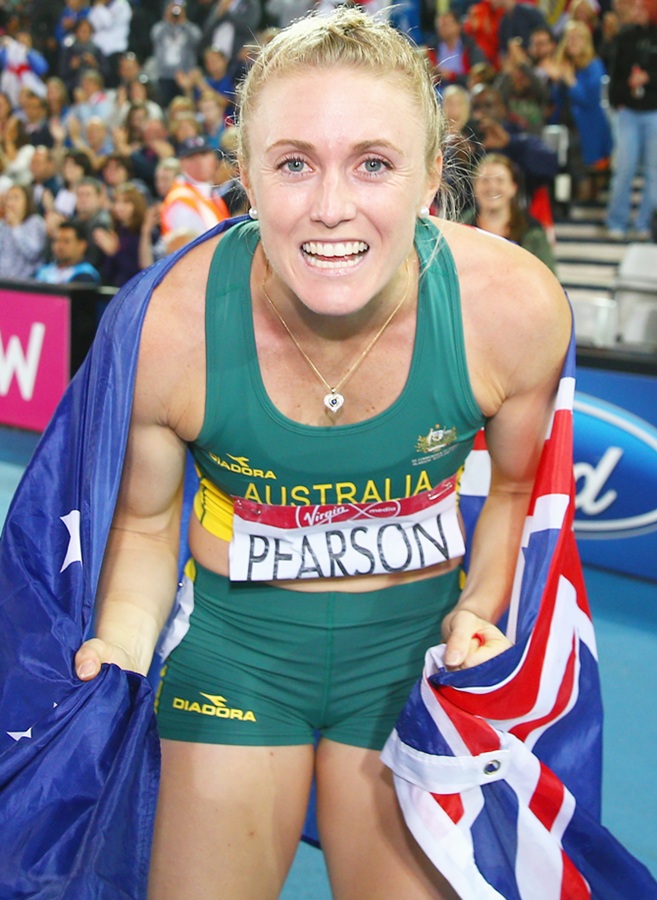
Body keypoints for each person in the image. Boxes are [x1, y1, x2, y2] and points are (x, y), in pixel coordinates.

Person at [73, 9, 571, 898]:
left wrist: (484, 607)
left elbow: (512, 495)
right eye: (293, 163)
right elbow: (147, 526)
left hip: (412, 660)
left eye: (372, 164)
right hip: (234, 653)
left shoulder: (511, 308)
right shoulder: (167, 326)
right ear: (245, 178)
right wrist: (119, 642)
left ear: (429, 179)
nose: (330, 206)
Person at [605, 0, 657, 239]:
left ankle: (646, 223)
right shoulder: (624, 37)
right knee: (624, 167)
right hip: (628, 112)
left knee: (654, 172)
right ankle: (616, 220)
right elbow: (614, 73)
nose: (635, 12)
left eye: (640, 7)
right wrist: (619, 100)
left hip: (654, 111)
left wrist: (649, 78)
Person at [461, 152, 558, 272]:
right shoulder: (459, 227)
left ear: (513, 188)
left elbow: (549, 280)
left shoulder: (533, 232)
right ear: (474, 187)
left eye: (500, 180)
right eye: (485, 180)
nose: (492, 187)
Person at [549, 19, 613, 200]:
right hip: (565, 125)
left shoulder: (594, 65)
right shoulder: (564, 64)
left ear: (586, 41)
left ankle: (587, 198)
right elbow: (555, 99)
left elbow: (589, 99)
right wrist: (556, 81)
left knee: (585, 167)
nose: (573, 42)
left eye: (577, 38)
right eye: (569, 38)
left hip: (589, 127)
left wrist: (570, 81)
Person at [159, 133, 229, 237]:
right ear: (182, 163)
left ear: (214, 159)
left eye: (204, 154)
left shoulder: (208, 192)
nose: (199, 161)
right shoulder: (181, 199)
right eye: (191, 157)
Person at [0, 183, 47, 278]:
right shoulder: (2, 225)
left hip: (25, 283)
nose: (10, 203)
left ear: (27, 202)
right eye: (8, 199)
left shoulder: (35, 223)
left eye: (16, 198)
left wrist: (16, 227)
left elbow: (33, 254)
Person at [35, 218, 101, 283]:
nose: (60, 246)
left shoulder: (86, 275)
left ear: (82, 245)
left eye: (66, 241)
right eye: (56, 240)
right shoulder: (44, 271)